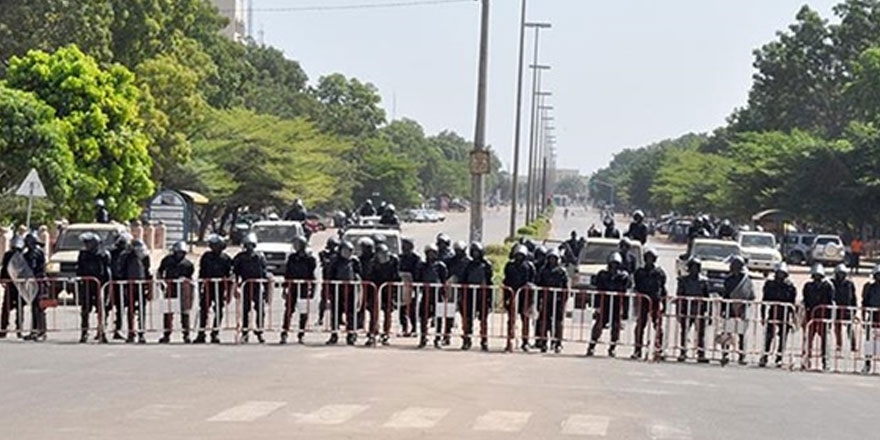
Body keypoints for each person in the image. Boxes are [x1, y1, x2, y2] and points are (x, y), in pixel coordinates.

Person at [586, 252, 630, 357]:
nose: (614, 266)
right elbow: (598, 290)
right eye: (612, 264)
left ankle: (612, 348)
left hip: (616, 305)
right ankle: (591, 346)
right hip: (604, 303)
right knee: (598, 326)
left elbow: (626, 295)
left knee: (616, 328)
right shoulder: (602, 275)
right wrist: (596, 306)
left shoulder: (623, 277)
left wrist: (625, 312)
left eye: (616, 264)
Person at [194, 234, 233, 344]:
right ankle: (201, 333)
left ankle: (215, 333)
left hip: (220, 288)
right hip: (207, 286)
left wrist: (228, 291)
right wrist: (201, 284)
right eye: (212, 245)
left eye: (216, 245)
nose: (213, 247)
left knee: (219, 311)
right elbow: (201, 271)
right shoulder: (206, 256)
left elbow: (229, 275)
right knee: (204, 310)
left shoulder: (226, 258)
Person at [233, 233, 269, 344]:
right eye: (247, 245)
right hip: (246, 286)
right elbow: (235, 272)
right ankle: (245, 332)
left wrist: (267, 291)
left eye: (251, 245)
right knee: (245, 310)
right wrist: (236, 287)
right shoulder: (239, 257)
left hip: (257, 286)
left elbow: (264, 273)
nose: (249, 248)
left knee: (260, 310)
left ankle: (259, 332)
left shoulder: (259, 257)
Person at [156, 241, 195, 344]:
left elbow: (190, 277)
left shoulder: (188, 264)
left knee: (185, 313)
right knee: (168, 313)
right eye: (178, 252)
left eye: (182, 253)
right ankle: (166, 335)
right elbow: (160, 272)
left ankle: (186, 335)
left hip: (183, 290)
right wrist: (162, 283)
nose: (180, 255)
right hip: (170, 289)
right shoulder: (167, 260)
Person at [76, 233, 111, 344]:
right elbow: (79, 268)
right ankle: (84, 332)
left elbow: (107, 271)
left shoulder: (104, 254)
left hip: (100, 285)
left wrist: (107, 285)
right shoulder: (83, 254)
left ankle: (102, 332)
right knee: (85, 310)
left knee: (101, 310)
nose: (86, 245)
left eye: (88, 243)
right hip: (87, 285)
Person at [759, 263, 796, 368]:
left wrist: (793, 318)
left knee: (783, 337)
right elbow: (764, 300)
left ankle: (779, 357)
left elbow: (792, 304)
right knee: (769, 335)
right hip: (772, 312)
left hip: (784, 314)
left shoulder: (790, 286)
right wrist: (762, 315)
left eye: (782, 274)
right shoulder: (770, 284)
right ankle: (765, 356)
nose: (780, 276)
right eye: (778, 274)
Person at [719, 256, 754, 366]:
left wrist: (744, 305)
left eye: (735, 266)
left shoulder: (746, 280)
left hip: (742, 309)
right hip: (730, 309)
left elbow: (751, 295)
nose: (733, 267)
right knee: (728, 333)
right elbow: (725, 295)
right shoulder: (728, 280)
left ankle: (742, 355)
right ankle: (725, 354)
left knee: (741, 334)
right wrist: (723, 309)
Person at [632, 248, 666, 360]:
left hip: (655, 301)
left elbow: (662, 288)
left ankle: (658, 349)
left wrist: (664, 304)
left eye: (651, 258)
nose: (649, 260)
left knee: (658, 327)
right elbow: (636, 287)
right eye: (647, 258)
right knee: (640, 326)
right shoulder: (639, 272)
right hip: (643, 301)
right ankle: (637, 349)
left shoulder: (659, 273)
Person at [282, 236, 317, 344]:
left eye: (298, 244)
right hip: (292, 286)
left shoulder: (310, 259)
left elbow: (312, 275)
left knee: (303, 312)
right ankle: (284, 332)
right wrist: (285, 288)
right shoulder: (292, 258)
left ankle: (301, 333)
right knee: (288, 310)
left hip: (304, 287)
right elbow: (287, 273)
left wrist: (312, 290)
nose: (296, 246)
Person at [326, 241, 361, 345]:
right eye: (345, 251)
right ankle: (334, 334)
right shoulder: (335, 261)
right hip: (338, 289)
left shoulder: (354, 261)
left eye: (350, 251)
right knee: (336, 313)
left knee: (351, 313)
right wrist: (329, 290)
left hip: (351, 290)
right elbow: (330, 275)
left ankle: (351, 335)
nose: (348, 253)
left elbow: (358, 273)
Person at [460, 242, 493, 351]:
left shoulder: (486, 265)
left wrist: (490, 298)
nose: (475, 254)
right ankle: (467, 340)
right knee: (467, 319)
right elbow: (463, 279)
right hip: (469, 295)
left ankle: (484, 341)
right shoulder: (468, 265)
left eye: (477, 252)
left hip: (482, 295)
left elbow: (490, 281)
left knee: (483, 320)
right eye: (473, 252)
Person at [676, 257, 710, 363]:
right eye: (692, 267)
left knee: (701, 333)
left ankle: (701, 353)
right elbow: (679, 295)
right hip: (686, 309)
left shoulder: (704, 281)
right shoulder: (683, 280)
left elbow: (706, 297)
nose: (694, 270)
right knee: (684, 332)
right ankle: (683, 352)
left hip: (699, 309)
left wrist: (708, 311)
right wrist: (679, 310)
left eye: (696, 267)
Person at [503, 245, 536, 352]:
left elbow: (532, 281)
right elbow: (506, 280)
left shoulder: (529, 267)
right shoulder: (509, 266)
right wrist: (506, 298)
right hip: (512, 295)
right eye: (517, 255)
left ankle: (525, 342)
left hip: (525, 296)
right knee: (511, 320)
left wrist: (531, 298)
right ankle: (510, 341)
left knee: (525, 320)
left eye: (521, 255)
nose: (519, 257)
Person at [365, 244, 399, 346]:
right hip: (375, 289)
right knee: (374, 313)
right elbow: (369, 276)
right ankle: (373, 332)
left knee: (388, 312)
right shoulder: (373, 263)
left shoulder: (393, 261)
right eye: (380, 254)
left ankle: (386, 333)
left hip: (387, 289)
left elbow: (396, 276)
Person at [415, 244, 449, 348]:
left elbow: (444, 279)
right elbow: (418, 278)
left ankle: (437, 338)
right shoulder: (422, 265)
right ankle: (423, 337)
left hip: (437, 294)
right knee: (423, 316)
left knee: (438, 317)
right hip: (426, 293)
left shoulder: (440, 266)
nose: (431, 255)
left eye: (433, 253)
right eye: (429, 253)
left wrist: (444, 292)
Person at [535, 249, 568, 354]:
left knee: (558, 323)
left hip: (558, 300)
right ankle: (543, 342)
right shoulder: (543, 270)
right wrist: (538, 299)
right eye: (550, 258)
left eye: (554, 258)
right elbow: (538, 284)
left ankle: (558, 343)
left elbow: (565, 288)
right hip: (546, 299)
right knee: (544, 321)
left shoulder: (562, 271)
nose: (552, 261)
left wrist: (563, 301)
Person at [119, 239, 151, 344]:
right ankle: (131, 332)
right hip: (129, 285)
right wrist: (123, 285)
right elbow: (121, 270)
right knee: (130, 309)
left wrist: (149, 286)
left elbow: (147, 271)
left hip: (141, 285)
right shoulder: (126, 256)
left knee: (142, 310)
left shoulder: (145, 257)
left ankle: (141, 333)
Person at [803, 264, 834, 370]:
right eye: (815, 276)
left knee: (824, 340)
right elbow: (806, 300)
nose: (817, 278)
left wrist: (829, 318)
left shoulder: (828, 286)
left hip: (823, 316)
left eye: (819, 276)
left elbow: (830, 301)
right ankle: (807, 359)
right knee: (808, 339)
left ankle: (825, 361)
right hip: (811, 315)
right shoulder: (808, 286)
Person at [21, 233, 47, 341]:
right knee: (34, 307)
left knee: (39, 307)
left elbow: (37, 267)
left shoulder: (36, 253)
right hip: (32, 282)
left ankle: (41, 331)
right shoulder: (27, 254)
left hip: (38, 281)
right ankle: (34, 330)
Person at [106, 233, 132, 340]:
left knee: (121, 308)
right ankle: (101, 329)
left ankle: (118, 329)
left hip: (122, 283)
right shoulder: (111, 252)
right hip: (111, 282)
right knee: (106, 307)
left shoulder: (128, 254)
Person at [0, 238, 25, 339]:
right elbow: (5, 268)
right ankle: (14, 329)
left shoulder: (19, 255)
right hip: (14, 284)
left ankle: (6, 329)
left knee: (11, 307)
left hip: (15, 285)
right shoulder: (16, 255)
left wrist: (2, 279)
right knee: (14, 307)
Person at [830, 263, 857, 353]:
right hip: (836, 308)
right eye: (839, 273)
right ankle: (839, 345)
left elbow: (853, 297)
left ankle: (853, 345)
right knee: (837, 328)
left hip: (847, 308)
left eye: (842, 274)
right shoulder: (832, 283)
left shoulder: (849, 283)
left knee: (850, 328)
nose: (841, 275)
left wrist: (854, 309)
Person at [397, 238, 421, 337]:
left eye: (406, 246)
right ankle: (404, 328)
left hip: (412, 286)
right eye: (403, 246)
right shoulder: (400, 257)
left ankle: (414, 328)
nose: (404, 248)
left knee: (412, 309)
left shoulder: (416, 258)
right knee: (402, 309)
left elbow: (417, 272)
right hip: (402, 286)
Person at [316, 236, 340, 327]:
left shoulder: (338, 256)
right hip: (326, 280)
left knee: (336, 301)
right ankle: (320, 318)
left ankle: (338, 319)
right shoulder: (323, 254)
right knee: (324, 300)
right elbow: (325, 262)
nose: (333, 247)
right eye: (332, 245)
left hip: (335, 281)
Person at [861, 265, 880, 374]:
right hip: (872, 316)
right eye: (877, 275)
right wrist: (863, 316)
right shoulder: (869, 287)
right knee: (869, 342)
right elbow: (864, 302)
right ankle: (867, 364)